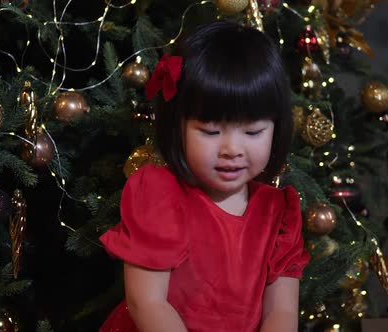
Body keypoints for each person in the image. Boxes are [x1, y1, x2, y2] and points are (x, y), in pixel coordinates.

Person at [99, 20, 310, 332]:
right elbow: (148, 303)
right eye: (210, 131)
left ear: (275, 130)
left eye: (253, 131)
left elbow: (281, 312)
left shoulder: (278, 213)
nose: (232, 149)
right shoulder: (161, 195)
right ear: (178, 126)